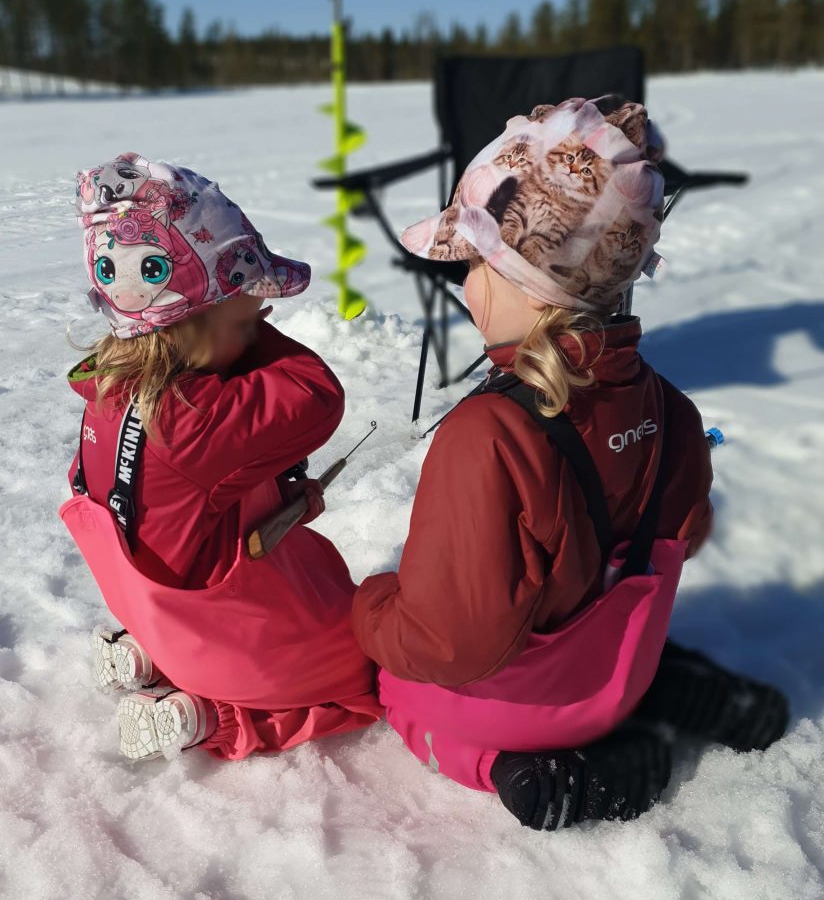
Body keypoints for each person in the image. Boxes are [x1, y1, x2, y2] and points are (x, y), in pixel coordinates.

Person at [351, 98, 788, 831]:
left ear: (531, 285)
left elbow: (451, 642)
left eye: (476, 265)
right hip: (617, 669)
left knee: (396, 690)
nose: (463, 287)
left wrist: (372, 609)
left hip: (526, 710)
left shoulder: (488, 435)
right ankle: (654, 687)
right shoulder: (670, 410)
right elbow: (687, 532)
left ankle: (530, 771)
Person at [61, 152, 382, 761]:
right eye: (247, 322)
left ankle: (150, 651)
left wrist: (279, 500)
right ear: (188, 324)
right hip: (229, 642)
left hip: (156, 608)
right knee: (369, 672)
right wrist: (241, 318)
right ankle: (215, 715)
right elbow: (317, 394)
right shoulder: (199, 420)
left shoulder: (103, 385)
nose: (256, 333)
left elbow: (181, 510)